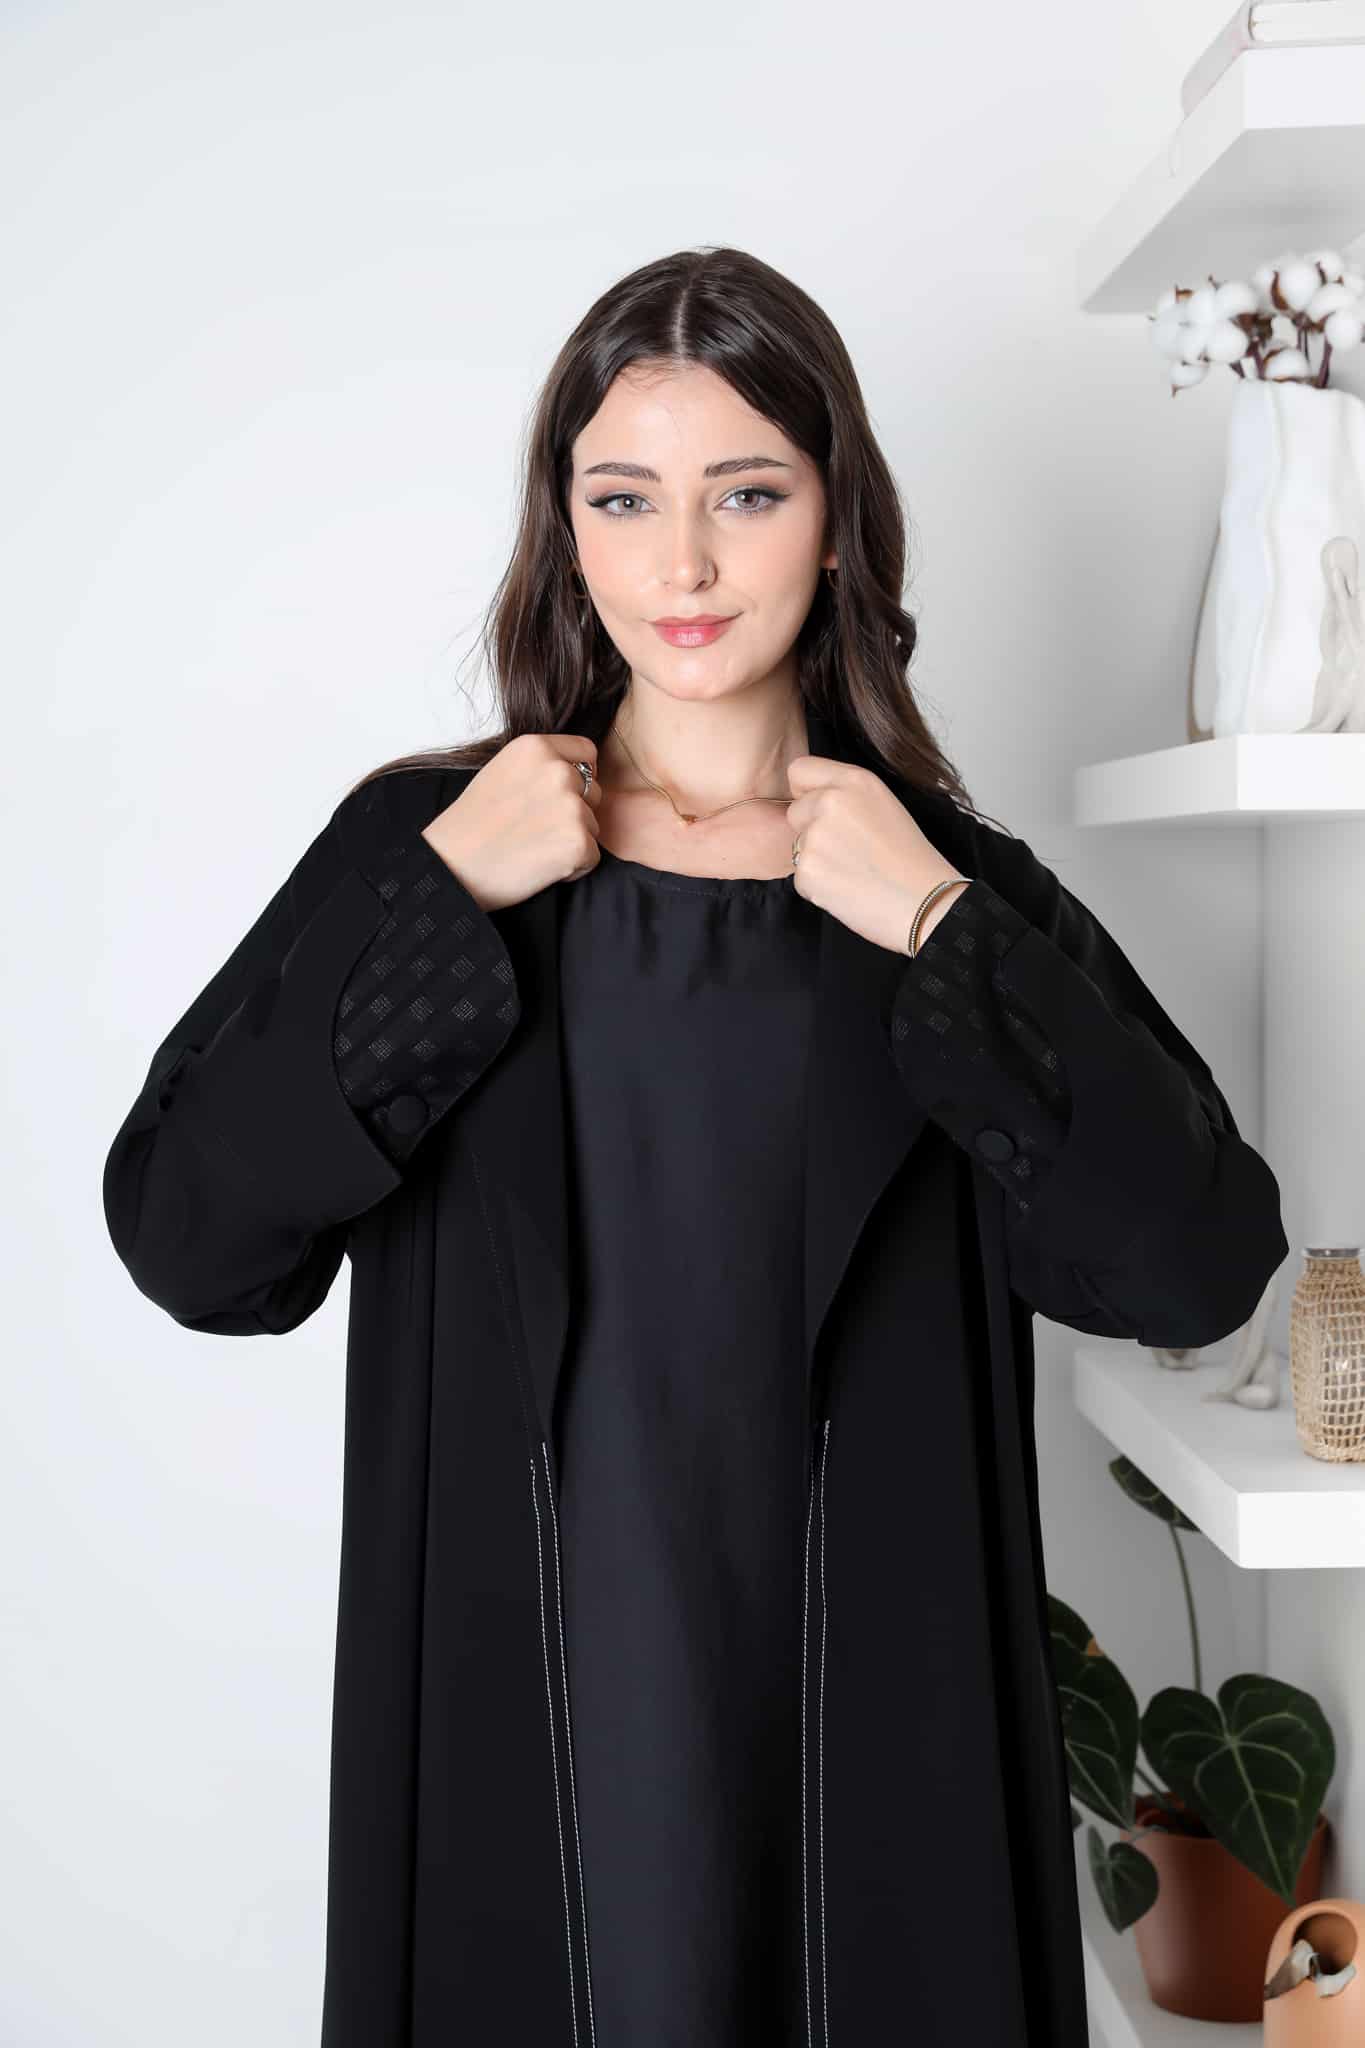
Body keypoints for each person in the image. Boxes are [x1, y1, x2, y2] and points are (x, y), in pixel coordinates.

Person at [102, 245, 1288, 2048]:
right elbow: (192, 1241)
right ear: (562, 531)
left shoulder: (947, 886)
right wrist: (439, 902)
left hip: (867, 1725)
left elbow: (1192, 1266)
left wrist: (942, 933)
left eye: (746, 493)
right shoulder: (427, 852)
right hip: (524, 1716)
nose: (683, 565)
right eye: (623, 499)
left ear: (837, 523)